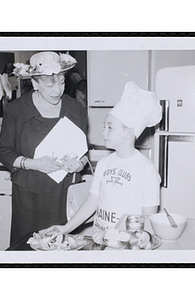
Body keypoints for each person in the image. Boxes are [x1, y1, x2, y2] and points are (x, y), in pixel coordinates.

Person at [42, 81, 162, 244]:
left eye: (110, 127)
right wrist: (65, 228)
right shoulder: (104, 163)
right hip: (99, 239)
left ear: (129, 133)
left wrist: (114, 235)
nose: (103, 132)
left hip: (127, 246)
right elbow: (92, 202)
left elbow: (147, 219)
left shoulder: (146, 169)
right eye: (104, 126)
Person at [0, 51, 89, 246]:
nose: (57, 90)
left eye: (61, 82)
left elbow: (83, 151)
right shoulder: (17, 109)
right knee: (28, 247)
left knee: (62, 248)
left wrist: (79, 165)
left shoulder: (76, 109)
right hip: (29, 197)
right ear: (35, 84)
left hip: (64, 193)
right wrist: (33, 164)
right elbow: (3, 151)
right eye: (50, 85)